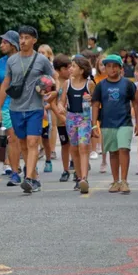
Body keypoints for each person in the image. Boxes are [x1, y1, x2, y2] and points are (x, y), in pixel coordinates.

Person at [0, 26, 56, 194]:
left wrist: (53, 92)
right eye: (21, 37)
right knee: (22, 143)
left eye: (27, 38)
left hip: (35, 108)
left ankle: (28, 179)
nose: (23, 41)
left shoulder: (41, 60)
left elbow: (53, 78)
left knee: (32, 142)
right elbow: (5, 84)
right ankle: (34, 177)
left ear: (34, 40)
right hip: (15, 108)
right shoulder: (12, 61)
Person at [93, 55, 138, 195]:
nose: (112, 69)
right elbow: (95, 105)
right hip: (107, 123)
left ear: (120, 68)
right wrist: (94, 125)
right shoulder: (100, 86)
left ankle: (124, 181)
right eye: (108, 66)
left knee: (123, 149)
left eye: (115, 66)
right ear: (105, 69)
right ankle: (115, 181)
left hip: (124, 122)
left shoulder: (127, 84)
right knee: (113, 152)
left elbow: (135, 103)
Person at [58, 54, 95, 194]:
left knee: (83, 146)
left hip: (85, 117)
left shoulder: (89, 83)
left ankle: (84, 178)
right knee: (74, 148)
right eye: (70, 66)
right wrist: (61, 106)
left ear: (82, 69)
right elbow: (61, 101)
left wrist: (91, 99)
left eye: (73, 66)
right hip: (71, 118)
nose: (70, 69)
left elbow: (96, 101)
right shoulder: (67, 83)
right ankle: (79, 177)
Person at [0, 31, 22, 183]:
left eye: (4, 42)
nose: (1, 45)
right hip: (7, 106)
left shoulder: (26, 59)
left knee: (27, 139)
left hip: (26, 104)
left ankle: (31, 170)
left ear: (13, 44)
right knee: (13, 138)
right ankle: (15, 171)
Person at [52, 54, 73, 182]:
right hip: (61, 121)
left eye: (71, 67)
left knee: (77, 145)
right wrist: (61, 116)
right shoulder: (55, 84)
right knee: (65, 144)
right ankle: (65, 170)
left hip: (76, 118)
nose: (70, 70)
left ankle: (78, 168)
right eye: (67, 68)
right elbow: (52, 103)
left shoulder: (75, 81)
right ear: (59, 70)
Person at [38, 44, 56, 173]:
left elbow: (56, 88)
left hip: (46, 105)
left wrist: (50, 103)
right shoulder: (34, 68)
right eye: (38, 52)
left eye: (43, 52)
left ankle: (48, 159)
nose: (40, 54)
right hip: (33, 105)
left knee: (45, 136)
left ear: (49, 55)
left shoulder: (51, 71)